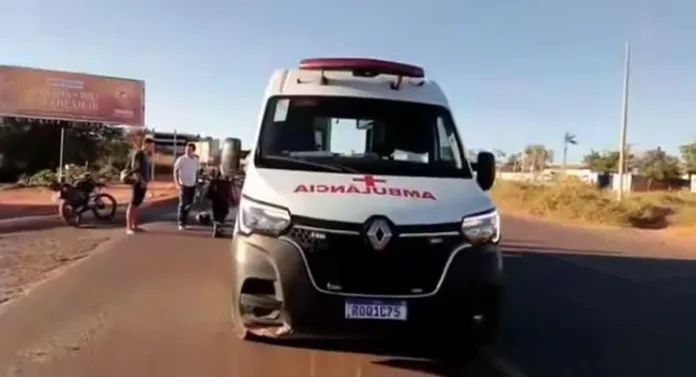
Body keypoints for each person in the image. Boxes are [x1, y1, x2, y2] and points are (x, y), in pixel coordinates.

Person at [126, 136, 154, 235]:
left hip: (143, 183)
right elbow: (135, 170)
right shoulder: (138, 154)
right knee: (133, 204)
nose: (151, 148)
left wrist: (146, 182)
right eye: (150, 145)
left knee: (137, 204)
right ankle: (129, 227)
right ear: (146, 144)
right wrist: (142, 181)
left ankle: (135, 226)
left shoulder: (145, 155)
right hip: (138, 182)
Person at [173, 143, 200, 230]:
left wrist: (196, 183)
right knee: (182, 204)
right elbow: (175, 171)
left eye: (189, 150)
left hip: (192, 185)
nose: (187, 151)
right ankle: (181, 223)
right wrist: (177, 183)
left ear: (193, 151)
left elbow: (196, 172)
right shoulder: (181, 159)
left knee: (190, 204)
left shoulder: (196, 160)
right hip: (183, 185)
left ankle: (185, 221)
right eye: (186, 149)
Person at [206, 168, 234, 238]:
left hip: (216, 199)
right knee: (222, 214)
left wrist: (209, 196)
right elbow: (231, 192)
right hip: (224, 199)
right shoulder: (227, 182)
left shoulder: (214, 181)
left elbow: (210, 189)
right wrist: (232, 199)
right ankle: (218, 229)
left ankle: (217, 228)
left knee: (217, 214)